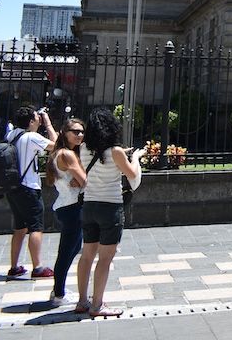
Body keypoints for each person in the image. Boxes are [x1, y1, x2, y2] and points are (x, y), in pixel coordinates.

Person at [76, 107, 144, 317]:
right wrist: (137, 158)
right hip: (110, 208)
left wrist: (121, 154)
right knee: (105, 259)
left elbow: (101, 160)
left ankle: (82, 301)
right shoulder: (115, 151)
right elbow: (132, 176)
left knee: (87, 255)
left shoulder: (84, 148)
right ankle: (97, 305)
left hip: (89, 206)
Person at [3, 105, 56, 280]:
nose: (39, 120)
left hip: (13, 188)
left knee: (20, 227)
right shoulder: (31, 137)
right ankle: (38, 267)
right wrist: (48, 124)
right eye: (37, 118)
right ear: (31, 121)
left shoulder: (11, 135)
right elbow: (56, 146)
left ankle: (14, 266)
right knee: (36, 227)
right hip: (29, 187)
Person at [46, 117, 87, 306]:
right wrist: (80, 179)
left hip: (67, 205)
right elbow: (85, 181)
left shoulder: (62, 152)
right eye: (75, 132)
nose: (79, 135)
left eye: (81, 132)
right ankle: (58, 294)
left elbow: (80, 179)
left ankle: (58, 290)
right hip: (71, 206)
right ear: (65, 133)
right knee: (66, 251)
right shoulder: (67, 155)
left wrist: (79, 179)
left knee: (73, 247)